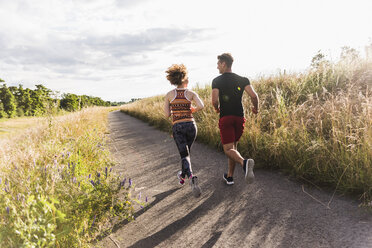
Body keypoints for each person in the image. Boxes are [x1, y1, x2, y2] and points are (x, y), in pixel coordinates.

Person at [211, 53, 259, 185]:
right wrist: (256, 109)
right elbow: (254, 96)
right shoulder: (243, 79)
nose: (217, 67)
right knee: (233, 148)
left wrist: (216, 108)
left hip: (226, 117)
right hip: (239, 117)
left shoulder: (217, 80)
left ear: (224, 64)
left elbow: (214, 100)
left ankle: (244, 163)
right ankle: (230, 176)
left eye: (218, 64)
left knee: (227, 149)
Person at [164, 64, 204, 197]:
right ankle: (182, 176)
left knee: (184, 154)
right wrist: (193, 109)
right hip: (191, 126)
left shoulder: (169, 95)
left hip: (178, 126)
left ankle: (191, 177)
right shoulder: (191, 93)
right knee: (185, 154)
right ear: (184, 77)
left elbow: (166, 115)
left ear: (173, 79)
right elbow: (201, 105)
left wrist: (173, 108)